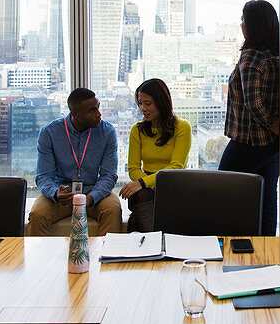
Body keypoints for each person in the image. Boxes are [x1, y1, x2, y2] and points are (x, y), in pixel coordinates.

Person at [219, 0, 280, 236]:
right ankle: (266, 251)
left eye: (243, 19)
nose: (241, 24)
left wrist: (273, 125)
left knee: (219, 190)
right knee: (267, 197)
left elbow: (253, 103)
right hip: (272, 144)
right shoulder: (275, 54)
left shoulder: (251, 57)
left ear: (253, 24)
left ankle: (224, 244)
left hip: (249, 141)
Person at [28, 88, 123, 237]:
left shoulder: (107, 132)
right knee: (38, 215)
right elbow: (43, 176)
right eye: (92, 110)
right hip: (61, 195)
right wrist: (56, 193)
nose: (99, 114)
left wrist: (91, 198)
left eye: (98, 108)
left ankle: (106, 258)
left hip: (92, 192)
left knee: (113, 209)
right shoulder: (49, 133)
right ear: (75, 114)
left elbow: (109, 175)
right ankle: (43, 259)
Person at [122, 78, 192, 232]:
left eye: (148, 103)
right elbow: (133, 169)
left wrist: (144, 183)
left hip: (174, 182)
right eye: (140, 103)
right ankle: (156, 241)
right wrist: (146, 184)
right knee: (143, 195)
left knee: (143, 199)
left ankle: (151, 240)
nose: (143, 108)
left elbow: (176, 166)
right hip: (146, 187)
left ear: (161, 102)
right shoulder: (137, 130)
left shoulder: (182, 127)